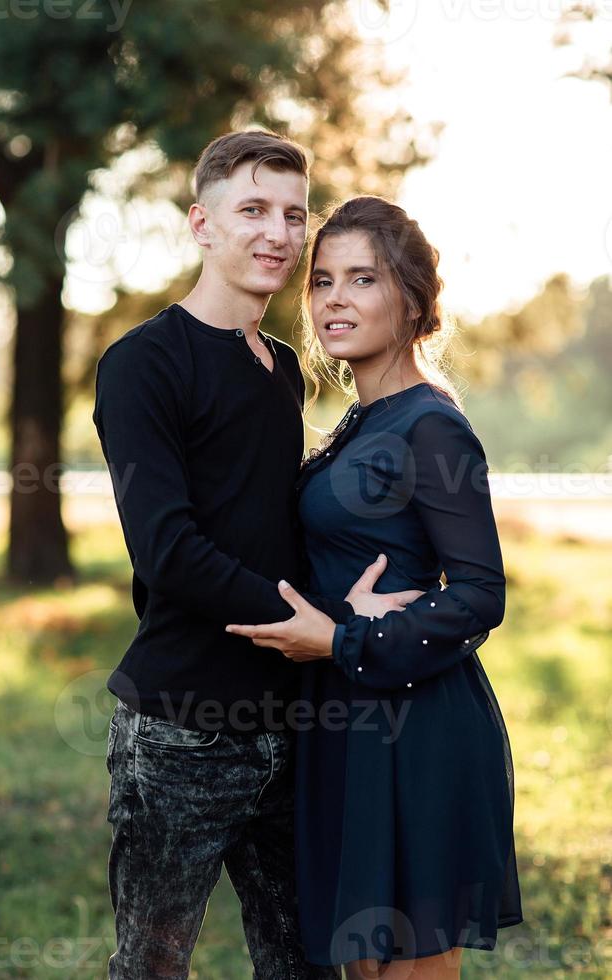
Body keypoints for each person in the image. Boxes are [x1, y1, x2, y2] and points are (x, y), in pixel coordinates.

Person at [92, 132, 419, 980]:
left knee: (306, 964)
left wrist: (351, 611)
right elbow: (169, 551)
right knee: (151, 969)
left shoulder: (281, 371)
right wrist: (320, 622)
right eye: (252, 211)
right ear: (202, 224)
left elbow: (278, 532)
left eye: (292, 215)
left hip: (293, 723)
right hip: (181, 730)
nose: (277, 232)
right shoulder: (141, 365)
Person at [226, 196, 524, 978]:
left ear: (413, 301)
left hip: (418, 729)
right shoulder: (358, 423)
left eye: (362, 279)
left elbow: (481, 594)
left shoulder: (431, 425)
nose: (334, 299)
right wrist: (332, 620)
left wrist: (342, 638)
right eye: (322, 280)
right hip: (345, 726)